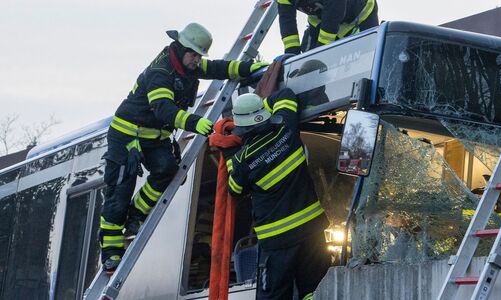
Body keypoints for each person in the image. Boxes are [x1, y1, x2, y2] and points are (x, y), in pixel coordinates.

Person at [99, 22, 268, 272]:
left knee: (168, 171)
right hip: (127, 135)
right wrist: (194, 122)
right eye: (194, 54)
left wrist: (249, 68)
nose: (197, 60)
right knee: (119, 193)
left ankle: (135, 214)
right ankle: (111, 251)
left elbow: (219, 68)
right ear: (180, 48)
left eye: (199, 55)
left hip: (155, 136)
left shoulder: (188, 65)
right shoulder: (160, 72)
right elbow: (163, 109)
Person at [226, 91, 330, 299]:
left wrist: (227, 152)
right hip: (312, 231)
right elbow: (286, 94)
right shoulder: (287, 128)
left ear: (242, 128)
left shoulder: (242, 160)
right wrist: (261, 106)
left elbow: (234, 189)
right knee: (316, 291)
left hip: (277, 243)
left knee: (275, 295)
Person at [277, 0, 378, 54]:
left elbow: (335, 10)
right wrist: (291, 52)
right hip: (321, 20)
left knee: (370, 53)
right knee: (308, 61)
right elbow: (286, 19)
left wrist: (322, 48)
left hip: (361, 14)